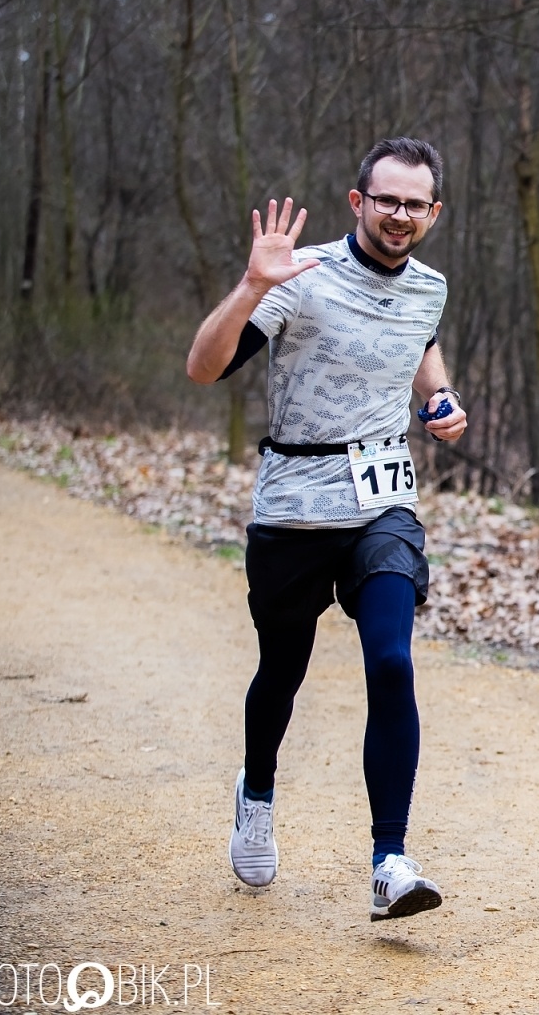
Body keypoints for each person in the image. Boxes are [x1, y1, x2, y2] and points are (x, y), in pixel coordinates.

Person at [185, 137, 467, 921]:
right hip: (294, 505)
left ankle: (390, 862)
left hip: (383, 506)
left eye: (414, 204)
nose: (400, 215)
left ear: (433, 212)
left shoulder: (431, 287)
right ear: (358, 201)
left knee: (392, 662)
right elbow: (203, 368)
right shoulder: (300, 274)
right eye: (387, 200)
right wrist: (251, 285)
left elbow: (419, 343)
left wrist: (437, 400)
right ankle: (257, 792)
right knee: (282, 670)